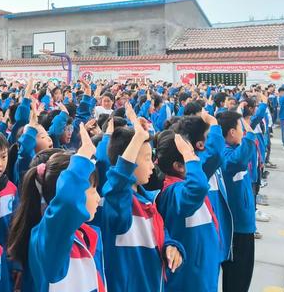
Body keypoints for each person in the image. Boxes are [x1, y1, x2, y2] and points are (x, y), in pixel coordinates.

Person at [8, 125, 104, 292]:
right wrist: (82, 157)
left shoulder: (82, 234)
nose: (98, 198)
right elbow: (67, 201)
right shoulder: (48, 239)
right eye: (92, 189)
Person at [99, 103, 184, 291]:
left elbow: (158, 233)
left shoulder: (147, 200)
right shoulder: (117, 201)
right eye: (146, 159)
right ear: (128, 162)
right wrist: (137, 138)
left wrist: (170, 246)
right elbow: (118, 183)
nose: (152, 165)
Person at [156, 130, 220, 292]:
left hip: (204, 272)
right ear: (178, 166)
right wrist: (187, 153)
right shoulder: (172, 193)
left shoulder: (184, 182)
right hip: (189, 279)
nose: (196, 159)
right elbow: (197, 188)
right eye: (190, 156)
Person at [219, 111, 258, 292]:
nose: (244, 132)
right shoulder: (225, 155)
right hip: (237, 228)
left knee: (244, 277)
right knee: (237, 279)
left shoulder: (234, 149)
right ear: (232, 132)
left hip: (245, 225)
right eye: (241, 128)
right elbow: (239, 160)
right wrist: (250, 137)